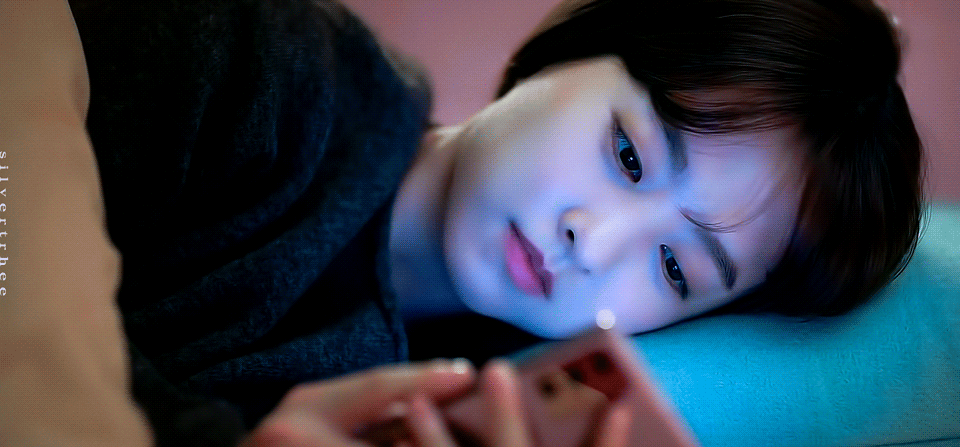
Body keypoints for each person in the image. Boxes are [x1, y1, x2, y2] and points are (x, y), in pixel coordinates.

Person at [1, 0, 922, 446]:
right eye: (630, 153)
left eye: (677, 270)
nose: (592, 240)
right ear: (569, 53)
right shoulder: (272, 66)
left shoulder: (472, 415)